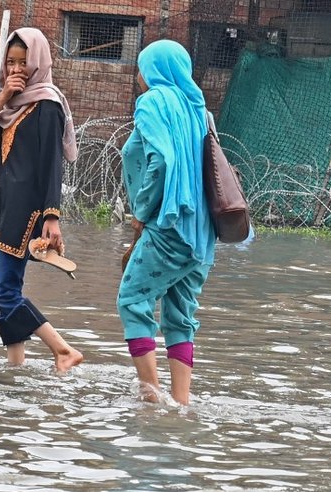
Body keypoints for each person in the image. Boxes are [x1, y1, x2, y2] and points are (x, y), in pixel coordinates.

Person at [117, 40, 216, 406]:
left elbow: (162, 161)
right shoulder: (198, 107)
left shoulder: (153, 102)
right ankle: (181, 405)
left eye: (143, 66)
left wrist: (142, 212)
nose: (139, 75)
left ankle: (152, 397)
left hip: (169, 224)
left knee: (131, 300)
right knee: (180, 315)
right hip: (202, 233)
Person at [0, 28, 83, 373]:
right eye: (10, 63)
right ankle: (16, 367)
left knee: (2, 291)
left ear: (38, 62)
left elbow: (52, 164)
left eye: (23, 63)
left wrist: (52, 216)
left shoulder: (46, 105)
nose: (15, 70)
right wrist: (3, 96)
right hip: (8, 207)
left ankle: (62, 349)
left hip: (29, 211)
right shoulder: (11, 104)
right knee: (8, 288)